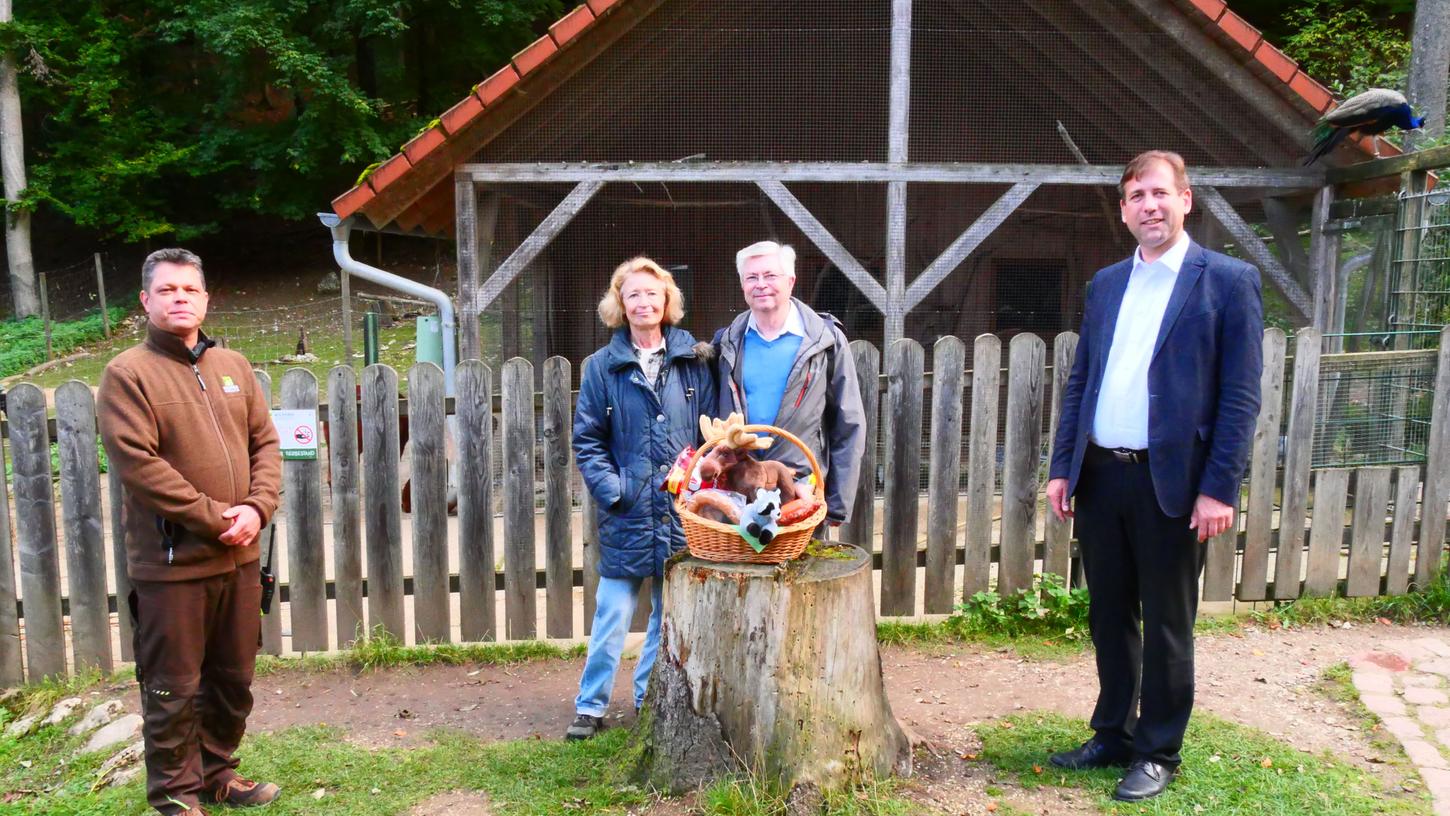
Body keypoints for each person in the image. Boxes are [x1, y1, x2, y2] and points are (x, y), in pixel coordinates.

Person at [1044, 151, 1263, 801]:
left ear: (1186, 199)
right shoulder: (1106, 284)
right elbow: (1082, 380)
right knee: (1110, 614)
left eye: (1160, 193)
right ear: (1123, 209)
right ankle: (1113, 731)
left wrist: (1220, 486)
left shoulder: (1227, 281)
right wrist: (1063, 467)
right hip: (1102, 476)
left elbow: (1240, 397)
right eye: (1136, 195)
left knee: (1168, 621)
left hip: (1173, 483)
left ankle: (1158, 749)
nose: (1149, 205)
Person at [98, 249, 282, 816]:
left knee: (234, 677)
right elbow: (139, 465)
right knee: (172, 686)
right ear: (145, 301)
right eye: (168, 289)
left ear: (206, 299)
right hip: (172, 565)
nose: (180, 297)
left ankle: (217, 770)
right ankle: (175, 793)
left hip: (242, 556)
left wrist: (256, 508)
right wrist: (214, 517)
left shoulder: (235, 366)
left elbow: (265, 445)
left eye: (190, 289)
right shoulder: (128, 374)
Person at [567, 257, 716, 740]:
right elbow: (587, 440)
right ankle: (590, 706)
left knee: (664, 616)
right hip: (627, 511)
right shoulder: (601, 367)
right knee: (612, 613)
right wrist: (615, 490)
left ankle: (645, 700)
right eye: (633, 295)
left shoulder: (695, 361)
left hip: (678, 511)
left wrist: (696, 487)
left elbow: (711, 435)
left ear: (667, 300)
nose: (644, 302)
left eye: (653, 294)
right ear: (619, 304)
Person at [713, 241, 866, 527]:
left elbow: (849, 424)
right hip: (740, 493)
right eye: (752, 277)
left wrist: (835, 505)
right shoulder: (727, 343)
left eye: (770, 276)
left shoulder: (825, 341)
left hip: (800, 493)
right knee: (741, 572)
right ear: (743, 285)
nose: (761, 285)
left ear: (791, 281)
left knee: (801, 572)